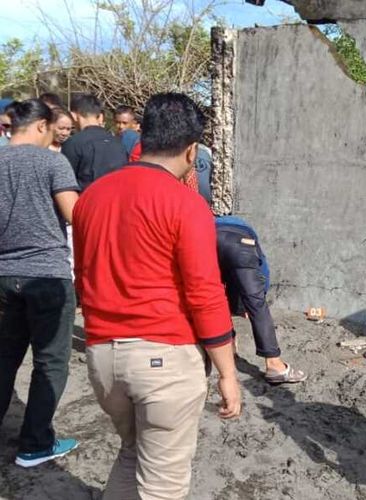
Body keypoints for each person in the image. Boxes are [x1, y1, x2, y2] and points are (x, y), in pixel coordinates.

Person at [73, 92, 241, 499]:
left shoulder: (90, 198)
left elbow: (83, 279)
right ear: (191, 150)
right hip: (163, 360)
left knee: (132, 456)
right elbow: (205, 293)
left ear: (141, 137)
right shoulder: (186, 203)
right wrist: (228, 373)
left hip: (102, 358)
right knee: (163, 486)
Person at [0, 99, 80, 467]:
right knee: (50, 362)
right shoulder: (52, 161)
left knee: (4, 357)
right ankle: (34, 444)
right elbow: (74, 214)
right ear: (42, 126)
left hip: (3, 276)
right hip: (47, 274)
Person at [215, 216, 307, 383]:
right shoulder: (246, 230)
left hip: (210, 239)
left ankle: (228, 349)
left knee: (217, 297)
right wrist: (254, 300)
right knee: (257, 305)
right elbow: (262, 271)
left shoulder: (211, 221)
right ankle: (274, 365)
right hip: (242, 243)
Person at [62, 94, 128, 190]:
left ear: (74, 116)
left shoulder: (73, 143)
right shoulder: (118, 143)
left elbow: (65, 184)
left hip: (86, 201)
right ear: (100, 116)